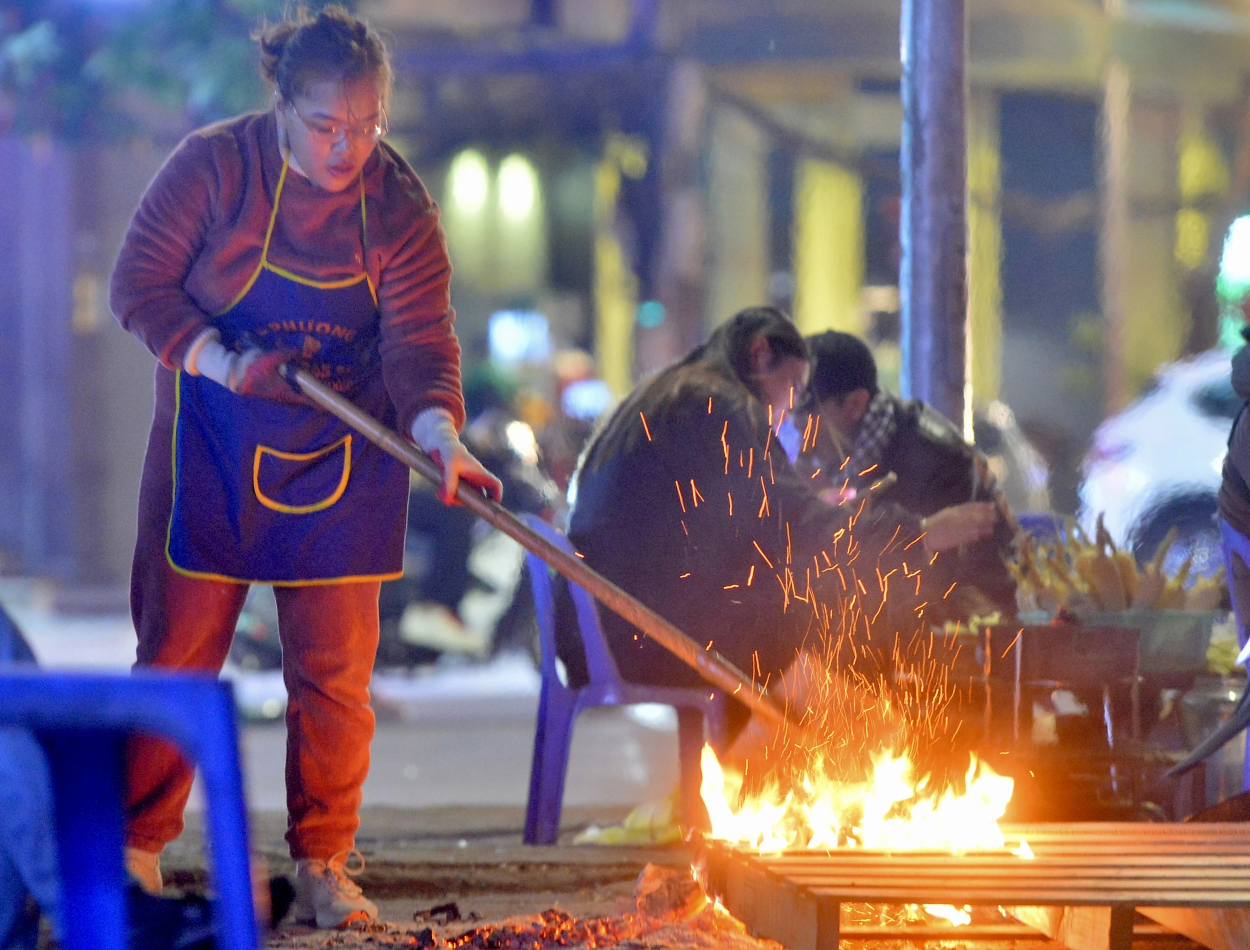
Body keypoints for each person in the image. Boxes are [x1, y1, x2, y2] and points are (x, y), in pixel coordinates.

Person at [109, 7, 500, 928]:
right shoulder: (215, 168)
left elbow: (419, 339)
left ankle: (324, 862)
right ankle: (134, 849)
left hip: (345, 445)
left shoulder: (396, 205)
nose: (346, 149)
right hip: (213, 429)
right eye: (326, 127)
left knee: (334, 675)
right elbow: (138, 284)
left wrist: (439, 430)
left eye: (367, 128)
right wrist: (221, 359)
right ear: (281, 104)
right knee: (176, 655)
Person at [564, 308, 996, 762]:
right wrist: (921, 533)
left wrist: (815, 512)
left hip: (603, 627)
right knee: (834, 619)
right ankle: (834, 769)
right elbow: (793, 527)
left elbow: (750, 523)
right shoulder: (719, 405)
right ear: (761, 354)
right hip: (644, 634)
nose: (788, 411)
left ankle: (759, 780)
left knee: (794, 609)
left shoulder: (670, 395)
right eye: (792, 388)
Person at [803, 330, 1015, 615]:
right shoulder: (826, 459)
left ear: (854, 405)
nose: (795, 430)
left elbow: (927, 589)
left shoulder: (937, 462)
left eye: (803, 415)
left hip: (966, 635)